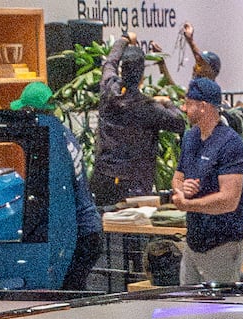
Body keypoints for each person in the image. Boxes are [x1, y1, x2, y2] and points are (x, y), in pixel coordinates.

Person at [15, 79, 105, 285]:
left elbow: (57, 195)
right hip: (87, 229)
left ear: (32, 111)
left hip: (77, 235)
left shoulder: (47, 139)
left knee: (66, 300)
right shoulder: (60, 131)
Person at [170, 76, 243, 289]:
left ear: (203, 106)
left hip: (222, 244)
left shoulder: (230, 144)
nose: (183, 108)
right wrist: (182, 189)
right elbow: (178, 177)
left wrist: (188, 205)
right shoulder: (190, 138)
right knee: (189, 310)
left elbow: (229, 200)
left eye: (188, 103)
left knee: (219, 314)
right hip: (193, 243)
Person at [97, 46, 182, 206]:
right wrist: (167, 102)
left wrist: (123, 39)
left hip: (105, 178)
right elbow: (179, 121)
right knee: (134, 228)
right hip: (135, 184)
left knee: (106, 226)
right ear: (142, 75)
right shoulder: (149, 108)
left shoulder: (108, 91)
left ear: (122, 71)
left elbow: (109, 64)